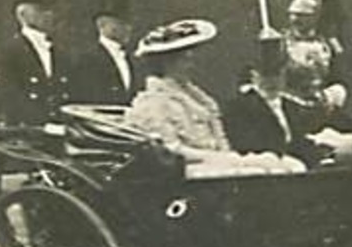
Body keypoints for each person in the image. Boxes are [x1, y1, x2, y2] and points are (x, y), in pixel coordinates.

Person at [125, 19, 302, 174]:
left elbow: (219, 141)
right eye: (184, 60)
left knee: (284, 164)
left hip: (212, 164)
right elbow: (172, 152)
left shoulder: (195, 96)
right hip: (187, 173)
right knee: (257, 171)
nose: (191, 64)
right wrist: (230, 161)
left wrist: (232, 158)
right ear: (166, 63)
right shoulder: (153, 103)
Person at [222, 30, 325, 167]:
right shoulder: (240, 107)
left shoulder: (290, 106)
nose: (272, 81)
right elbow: (247, 145)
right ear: (254, 75)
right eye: (265, 75)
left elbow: (300, 141)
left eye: (277, 74)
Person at [0, 0, 66, 125]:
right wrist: (42, 124)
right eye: (40, 9)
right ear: (22, 15)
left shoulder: (59, 52)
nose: (48, 14)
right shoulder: (9, 52)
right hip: (27, 135)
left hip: (60, 134)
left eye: (50, 9)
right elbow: (10, 97)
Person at [68, 0, 140, 105]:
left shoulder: (132, 58)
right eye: (120, 23)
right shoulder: (87, 60)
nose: (128, 28)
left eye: (129, 23)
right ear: (101, 25)